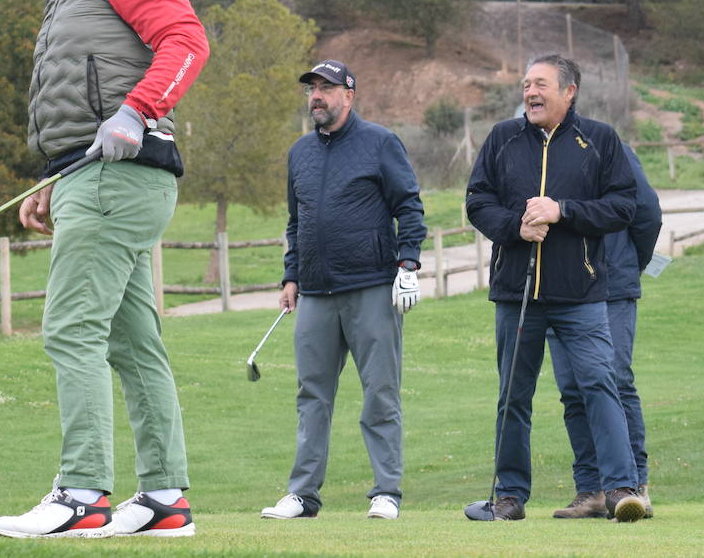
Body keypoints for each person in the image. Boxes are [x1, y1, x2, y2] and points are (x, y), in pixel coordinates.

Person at [0, 0, 209, 539]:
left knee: (70, 327)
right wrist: (56, 179)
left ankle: (83, 494)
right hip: (96, 175)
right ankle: (164, 497)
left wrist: (139, 111)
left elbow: (187, 42)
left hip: (120, 173)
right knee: (132, 339)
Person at [464, 53, 645, 523]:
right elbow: (477, 200)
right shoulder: (503, 138)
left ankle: (622, 490)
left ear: (569, 91)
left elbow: (624, 207)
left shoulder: (600, 139)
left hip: (580, 295)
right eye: (526, 84)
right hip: (515, 294)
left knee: (600, 385)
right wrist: (515, 228)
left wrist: (562, 210)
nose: (530, 92)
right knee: (513, 395)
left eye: (541, 84)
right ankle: (509, 497)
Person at [261, 60, 427, 523]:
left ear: (349, 96)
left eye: (326, 88)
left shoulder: (380, 143)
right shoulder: (300, 152)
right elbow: (297, 221)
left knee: (380, 391)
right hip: (314, 291)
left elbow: (409, 206)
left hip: (371, 286)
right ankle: (303, 494)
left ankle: (386, 492)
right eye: (312, 88)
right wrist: (291, 276)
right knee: (311, 393)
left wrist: (408, 263)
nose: (316, 96)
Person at [549, 143, 662, 519]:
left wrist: (630, 263)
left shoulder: (607, 148)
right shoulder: (535, 155)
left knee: (613, 379)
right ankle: (592, 489)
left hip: (611, 285)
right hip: (561, 288)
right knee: (573, 388)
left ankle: (635, 484)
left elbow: (647, 214)